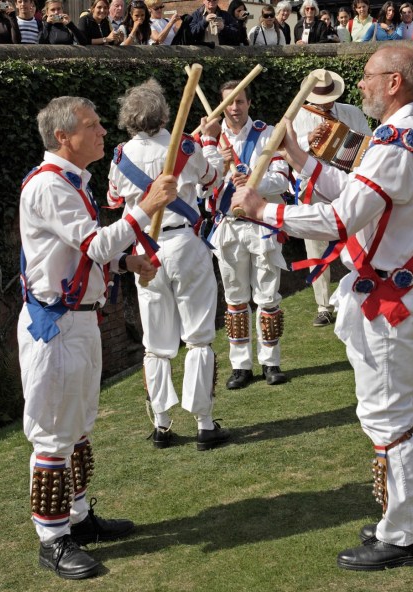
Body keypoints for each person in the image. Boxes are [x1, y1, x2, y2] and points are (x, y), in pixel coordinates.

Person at [232, 45, 413, 571]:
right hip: (404, 290)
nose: (363, 83)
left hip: (392, 298)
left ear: (394, 82)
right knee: (412, 409)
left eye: (370, 75)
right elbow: (355, 192)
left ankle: (401, 535)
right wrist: (299, 157)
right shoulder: (408, 135)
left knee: (388, 415)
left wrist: (264, 210)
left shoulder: (395, 144)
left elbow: (339, 220)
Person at [18, 95, 177, 579]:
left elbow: (84, 253)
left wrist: (127, 262)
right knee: (53, 432)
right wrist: (144, 208)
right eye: (92, 125)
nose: (103, 131)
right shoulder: (50, 186)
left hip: (80, 321)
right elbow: (94, 243)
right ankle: (53, 539)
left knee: (80, 425)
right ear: (63, 136)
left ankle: (80, 517)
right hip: (56, 325)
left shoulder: (73, 182)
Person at [107, 79, 231, 451]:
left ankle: (161, 424)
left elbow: (113, 199)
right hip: (185, 245)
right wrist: (209, 141)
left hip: (145, 250)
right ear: (163, 116)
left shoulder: (120, 156)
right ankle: (204, 424)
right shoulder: (187, 147)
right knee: (198, 337)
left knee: (156, 343)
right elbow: (212, 178)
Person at [208, 80, 289, 390]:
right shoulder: (208, 139)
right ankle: (240, 366)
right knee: (235, 298)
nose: (234, 108)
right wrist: (218, 167)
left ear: (249, 103)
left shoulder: (268, 133)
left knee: (268, 296)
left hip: (262, 225)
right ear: (221, 107)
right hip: (228, 226)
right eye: (228, 102)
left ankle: (271, 362)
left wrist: (253, 183)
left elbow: (282, 180)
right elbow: (200, 187)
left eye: (240, 101)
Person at [291, 69, 372, 327]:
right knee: (315, 246)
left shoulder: (351, 112)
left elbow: (368, 144)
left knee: (360, 239)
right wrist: (308, 140)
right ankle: (323, 306)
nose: (326, 102)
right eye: (321, 97)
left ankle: (363, 293)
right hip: (313, 188)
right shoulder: (296, 116)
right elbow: (284, 149)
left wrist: (352, 148)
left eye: (329, 97)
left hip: (348, 185)